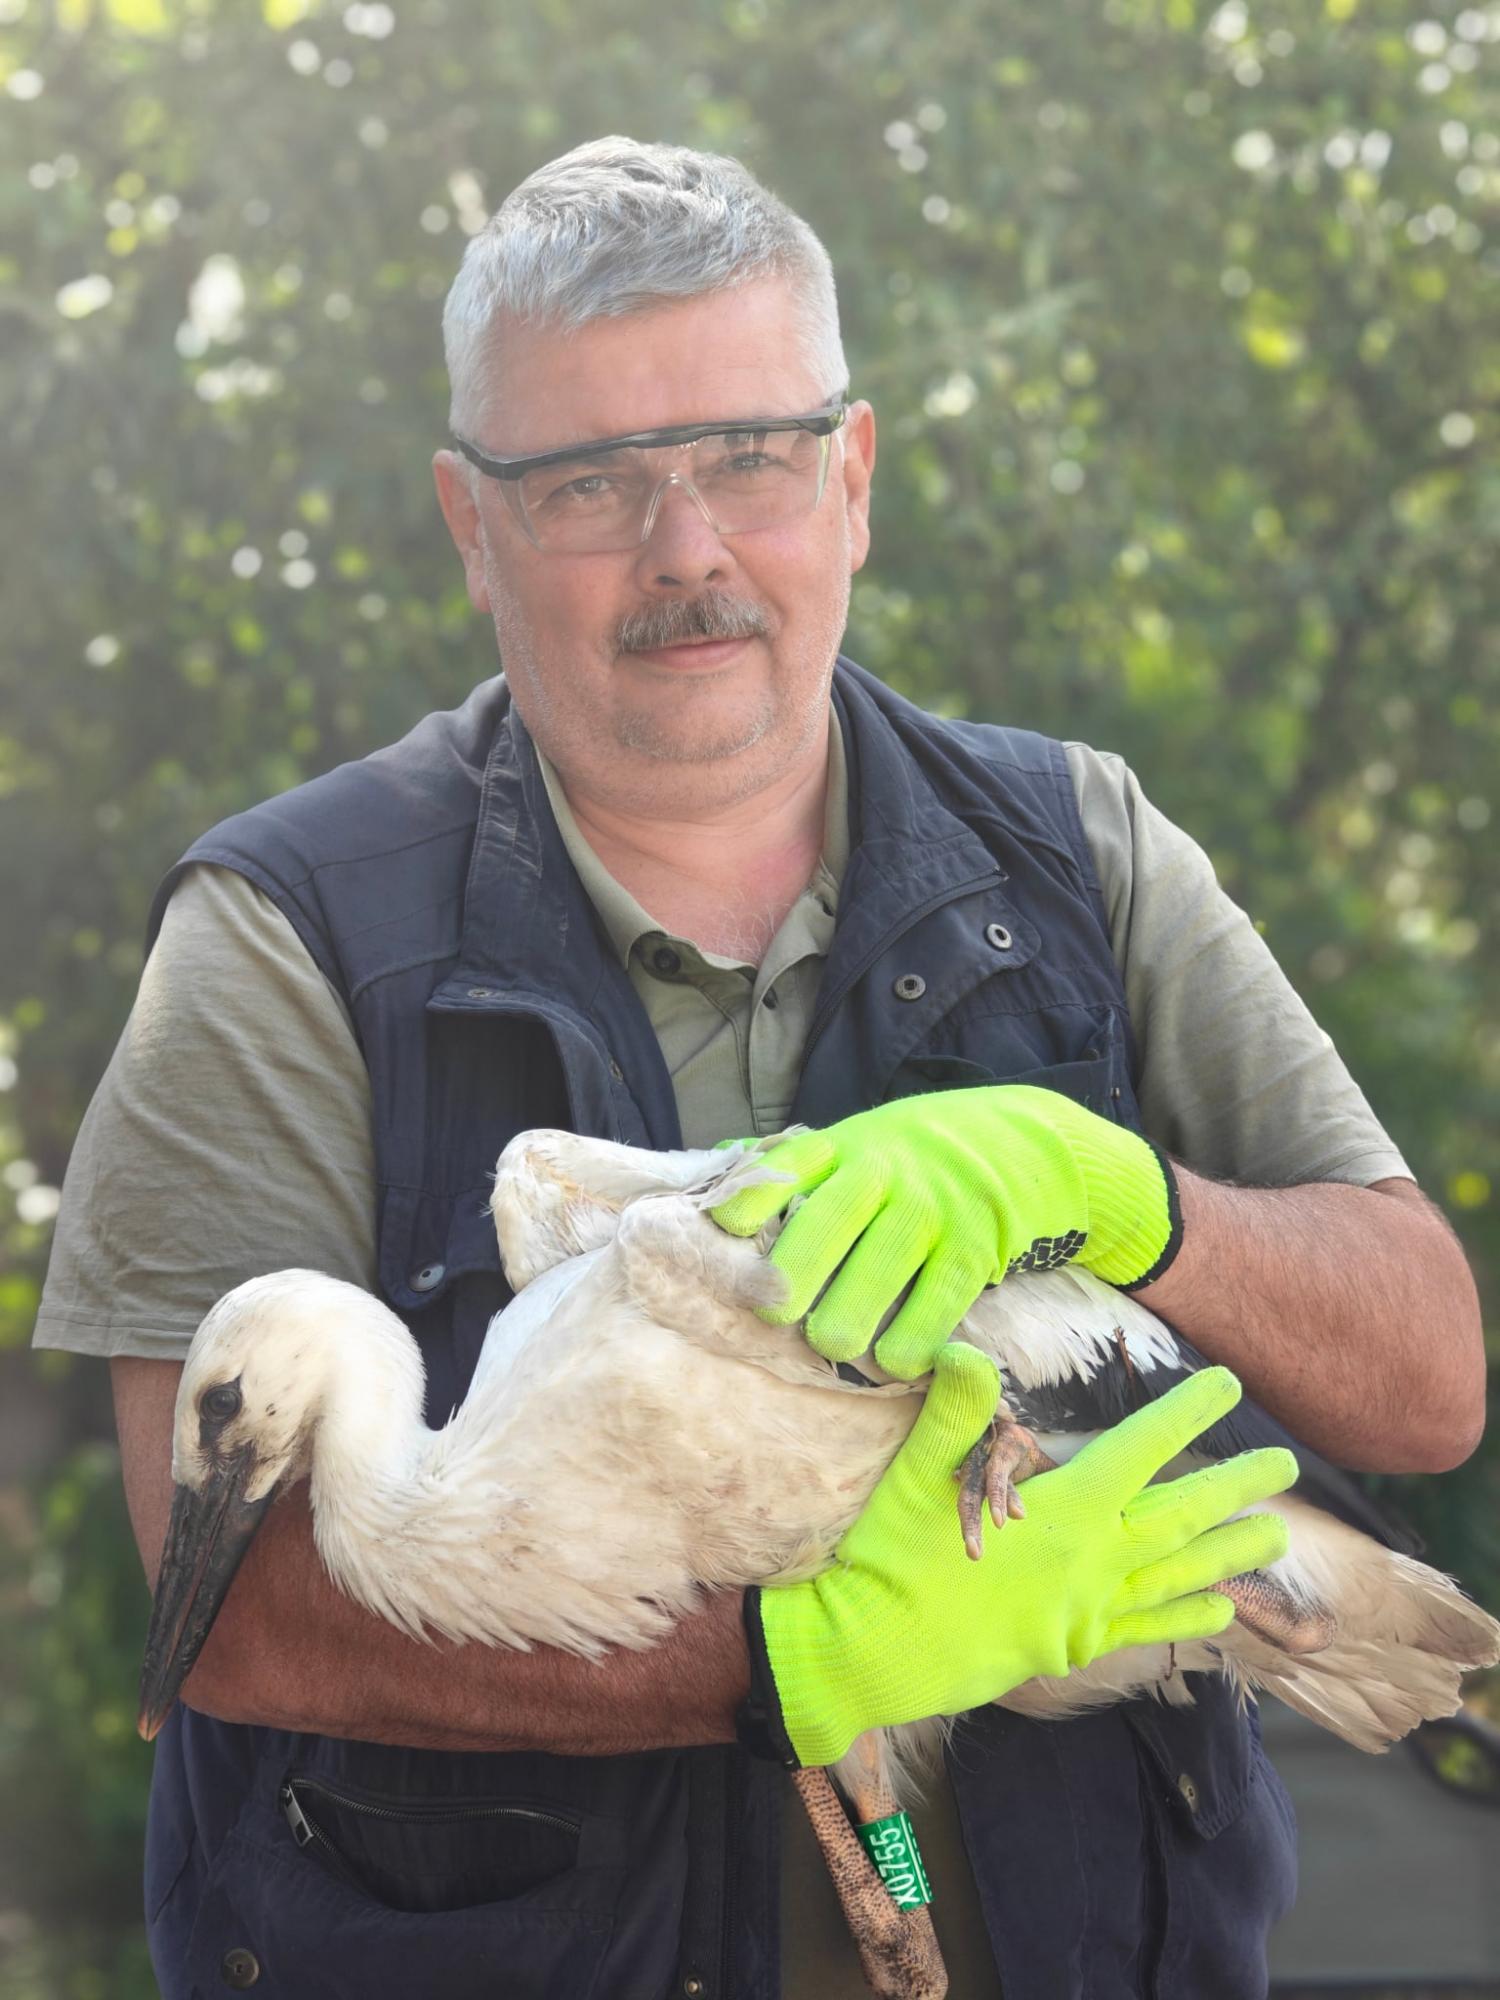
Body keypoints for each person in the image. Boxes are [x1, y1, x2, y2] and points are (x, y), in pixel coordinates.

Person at [34, 136, 1483, 2000]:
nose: (688, 549)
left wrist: (1119, 1195)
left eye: (750, 455)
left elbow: (1429, 1384)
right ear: (470, 527)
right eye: (589, 484)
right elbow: (222, 1601)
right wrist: (787, 1668)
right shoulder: (286, 934)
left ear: (854, 478)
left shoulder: (1087, 853)